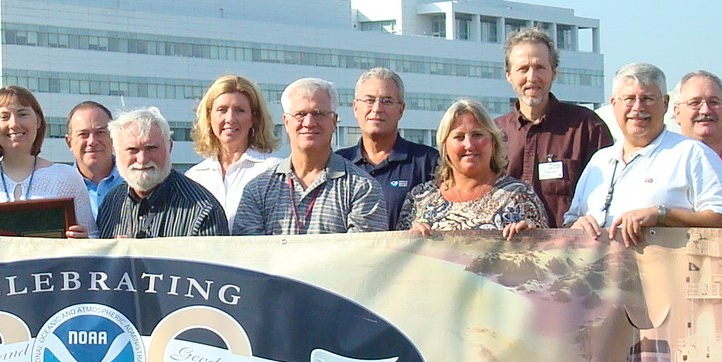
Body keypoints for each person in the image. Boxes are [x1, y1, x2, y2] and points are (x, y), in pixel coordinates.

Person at [566, 63, 722, 246]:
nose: (638, 108)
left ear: (665, 103)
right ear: (614, 104)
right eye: (629, 99)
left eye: (648, 98)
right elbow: (570, 221)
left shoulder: (693, 154)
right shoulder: (599, 160)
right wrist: (577, 225)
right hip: (600, 272)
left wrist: (662, 215)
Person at [232, 78, 387, 235]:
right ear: (286, 122)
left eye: (318, 114)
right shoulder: (258, 189)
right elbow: (250, 255)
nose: (309, 122)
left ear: (334, 121)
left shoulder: (362, 188)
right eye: (300, 114)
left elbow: (363, 255)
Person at [495, 27, 613, 227]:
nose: (532, 77)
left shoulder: (587, 128)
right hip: (505, 250)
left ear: (554, 73)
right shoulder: (494, 133)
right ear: (509, 75)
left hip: (569, 251)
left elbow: (610, 193)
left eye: (540, 67)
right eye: (523, 69)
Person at [0, 85, 95, 237]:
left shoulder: (67, 177)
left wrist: (84, 239)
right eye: (4, 117)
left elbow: (93, 237)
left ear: (38, 121)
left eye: (22, 114)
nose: (14, 124)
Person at [400, 99, 546, 237]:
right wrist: (410, 240)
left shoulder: (520, 195)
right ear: (444, 146)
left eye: (477, 135)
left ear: (493, 142)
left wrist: (531, 237)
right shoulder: (419, 198)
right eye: (459, 137)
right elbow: (398, 258)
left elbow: (548, 255)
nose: (469, 145)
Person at [95, 107, 228, 238]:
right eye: (132, 149)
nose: (142, 159)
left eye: (151, 148)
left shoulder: (203, 212)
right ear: (116, 152)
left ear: (169, 147)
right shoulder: (111, 204)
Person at [336, 67, 439, 230]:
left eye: (386, 101)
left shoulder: (427, 162)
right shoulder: (337, 163)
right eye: (369, 100)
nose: (377, 109)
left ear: (401, 109)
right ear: (355, 107)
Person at [185, 74, 281, 218]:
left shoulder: (273, 171)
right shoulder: (194, 177)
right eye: (222, 110)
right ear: (209, 117)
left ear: (253, 119)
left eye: (239, 110)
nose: (230, 119)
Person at [670, 70, 722, 201]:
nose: (705, 110)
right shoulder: (661, 162)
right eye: (694, 103)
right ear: (677, 112)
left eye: (714, 102)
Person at [67, 100, 125, 210]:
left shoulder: (134, 182)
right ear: (69, 142)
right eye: (83, 134)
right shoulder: (59, 187)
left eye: (100, 132)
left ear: (113, 138)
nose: (92, 141)